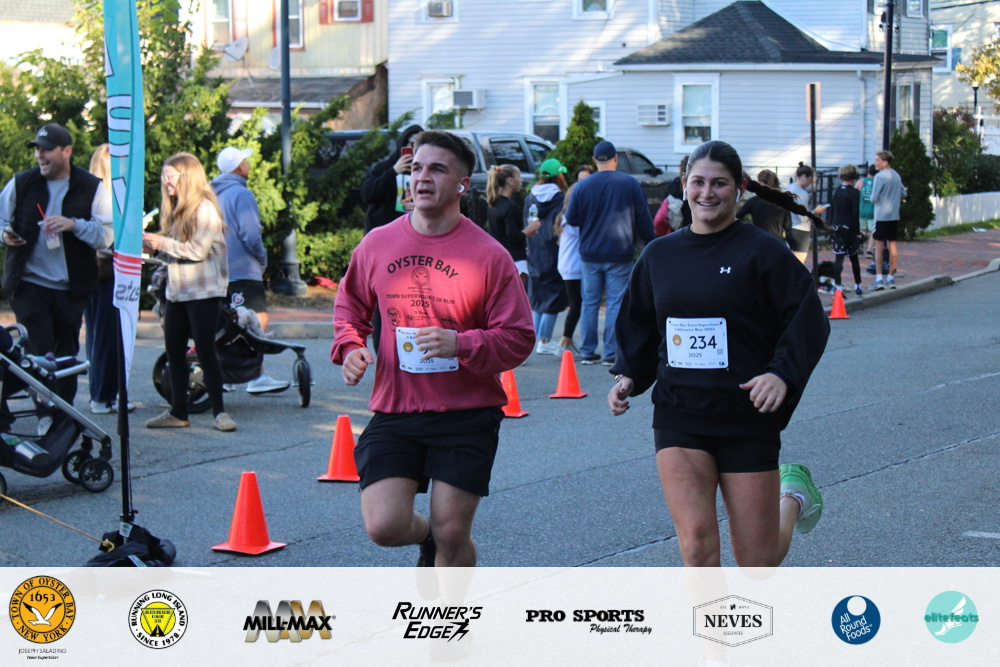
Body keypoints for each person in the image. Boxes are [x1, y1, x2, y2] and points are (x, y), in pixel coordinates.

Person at [608, 140, 829, 568]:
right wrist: (628, 376)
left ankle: (793, 497)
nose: (707, 193)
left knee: (758, 562)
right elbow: (639, 322)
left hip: (746, 415)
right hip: (679, 413)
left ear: (740, 188)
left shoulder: (763, 252)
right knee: (696, 546)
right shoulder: (659, 255)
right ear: (684, 185)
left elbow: (808, 319)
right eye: (698, 182)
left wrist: (781, 374)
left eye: (719, 184)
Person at [331, 130, 534, 567]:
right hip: (398, 408)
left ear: (462, 184)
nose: (422, 177)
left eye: (437, 169)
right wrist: (349, 347)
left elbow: (519, 337)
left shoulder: (488, 255)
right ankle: (427, 538)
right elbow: (350, 306)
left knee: (452, 530)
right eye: (417, 167)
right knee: (384, 526)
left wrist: (460, 343)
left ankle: (449, 604)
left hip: (466, 413)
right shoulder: (378, 243)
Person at [0, 123, 113, 423]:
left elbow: (106, 235)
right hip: (28, 284)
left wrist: (73, 225)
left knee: (66, 356)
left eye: (47, 149)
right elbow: (0, 220)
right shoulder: (21, 183)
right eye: (37, 149)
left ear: (66, 151)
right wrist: (5, 235)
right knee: (39, 352)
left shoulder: (91, 186)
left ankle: (63, 417)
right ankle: (45, 417)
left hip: (70, 288)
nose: (40, 155)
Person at [143, 153, 235, 432]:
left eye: (170, 176)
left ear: (187, 177)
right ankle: (178, 412)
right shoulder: (177, 210)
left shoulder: (204, 208)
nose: (165, 181)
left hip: (203, 291)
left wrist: (161, 243)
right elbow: (176, 254)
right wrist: (152, 250)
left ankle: (220, 413)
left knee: (205, 351)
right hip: (178, 292)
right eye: (163, 176)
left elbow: (197, 250)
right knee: (174, 351)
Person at [563, 141, 655, 366]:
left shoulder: (583, 186)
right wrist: (652, 245)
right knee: (615, 303)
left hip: (590, 254)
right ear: (616, 159)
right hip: (620, 252)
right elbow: (644, 221)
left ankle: (588, 351)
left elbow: (571, 218)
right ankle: (611, 353)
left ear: (594, 160)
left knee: (589, 303)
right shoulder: (630, 184)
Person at [212, 145, 290, 395]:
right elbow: (251, 234)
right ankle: (257, 375)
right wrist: (262, 259)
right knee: (258, 319)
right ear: (238, 167)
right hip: (243, 268)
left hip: (218, 270)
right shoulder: (242, 194)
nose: (248, 165)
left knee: (225, 323)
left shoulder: (212, 195)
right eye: (245, 161)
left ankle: (224, 373)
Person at [358, 124, 425, 353]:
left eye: (418, 145)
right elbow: (367, 195)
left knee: (412, 298)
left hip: (415, 243)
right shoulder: (384, 168)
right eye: (409, 145)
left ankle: (411, 350)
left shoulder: (425, 174)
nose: (412, 150)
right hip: (385, 244)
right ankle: (383, 350)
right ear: (401, 146)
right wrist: (394, 171)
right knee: (383, 298)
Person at [84, 144, 133, 414]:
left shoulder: (89, 194)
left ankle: (106, 393)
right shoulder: (107, 197)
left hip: (94, 272)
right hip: (108, 271)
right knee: (107, 335)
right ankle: (103, 395)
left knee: (99, 335)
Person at [524, 159, 568, 355]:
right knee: (554, 295)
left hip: (534, 249)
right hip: (554, 250)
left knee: (538, 296)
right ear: (559, 176)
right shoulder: (561, 198)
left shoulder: (530, 197)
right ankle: (545, 339)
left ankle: (535, 340)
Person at [553, 164, 594, 354]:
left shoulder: (564, 217)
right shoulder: (572, 220)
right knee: (577, 305)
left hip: (568, 265)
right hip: (573, 267)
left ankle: (566, 341)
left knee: (577, 304)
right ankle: (565, 342)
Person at [486, 164, 533, 289]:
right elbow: (513, 238)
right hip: (516, 259)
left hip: (500, 258)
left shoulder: (493, 203)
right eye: (519, 176)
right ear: (510, 181)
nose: (521, 180)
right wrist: (528, 230)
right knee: (517, 295)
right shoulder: (509, 206)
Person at [869, 150, 907, 291]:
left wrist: (880, 198)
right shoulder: (896, 175)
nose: (875, 163)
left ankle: (879, 278)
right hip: (893, 215)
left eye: (877, 160)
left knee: (879, 245)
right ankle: (891, 277)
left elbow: (873, 198)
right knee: (892, 245)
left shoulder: (879, 176)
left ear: (885, 162)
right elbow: (904, 193)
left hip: (881, 215)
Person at [829, 164, 863, 297]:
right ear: (854, 176)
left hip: (837, 226)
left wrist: (831, 224)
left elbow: (833, 208)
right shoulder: (855, 193)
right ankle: (858, 285)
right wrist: (857, 232)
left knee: (839, 257)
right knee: (854, 257)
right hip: (850, 228)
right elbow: (855, 214)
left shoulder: (837, 191)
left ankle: (838, 287)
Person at [784, 163, 826, 264]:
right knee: (799, 263)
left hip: (790, 227)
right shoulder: (802, 193)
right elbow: (803, 216)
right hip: (801, 230)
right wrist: (815, 211)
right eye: (810, 180)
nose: (810, 183)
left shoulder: (789, 188)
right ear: (804, 177)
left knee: (791, 260)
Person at [736, 169, 789, 241]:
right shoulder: (783, 201)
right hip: (777, 241)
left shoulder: (753, 201)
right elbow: (788, 225)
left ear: (761, 182)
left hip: (759, 240)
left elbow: (738, 216)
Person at [653, 155, 690, 236]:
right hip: (690, 227)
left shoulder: (673, 186)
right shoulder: (694, 186)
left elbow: (665, 206)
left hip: (674, 228)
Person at [856, 163, 877, 257]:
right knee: (873, 232)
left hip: (861, 210)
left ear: (868, 171)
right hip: (873, 210)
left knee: (862, 230)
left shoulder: (861, 181)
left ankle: (858, 245)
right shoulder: (877, 182)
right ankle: (869, 251)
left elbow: (854, 192)